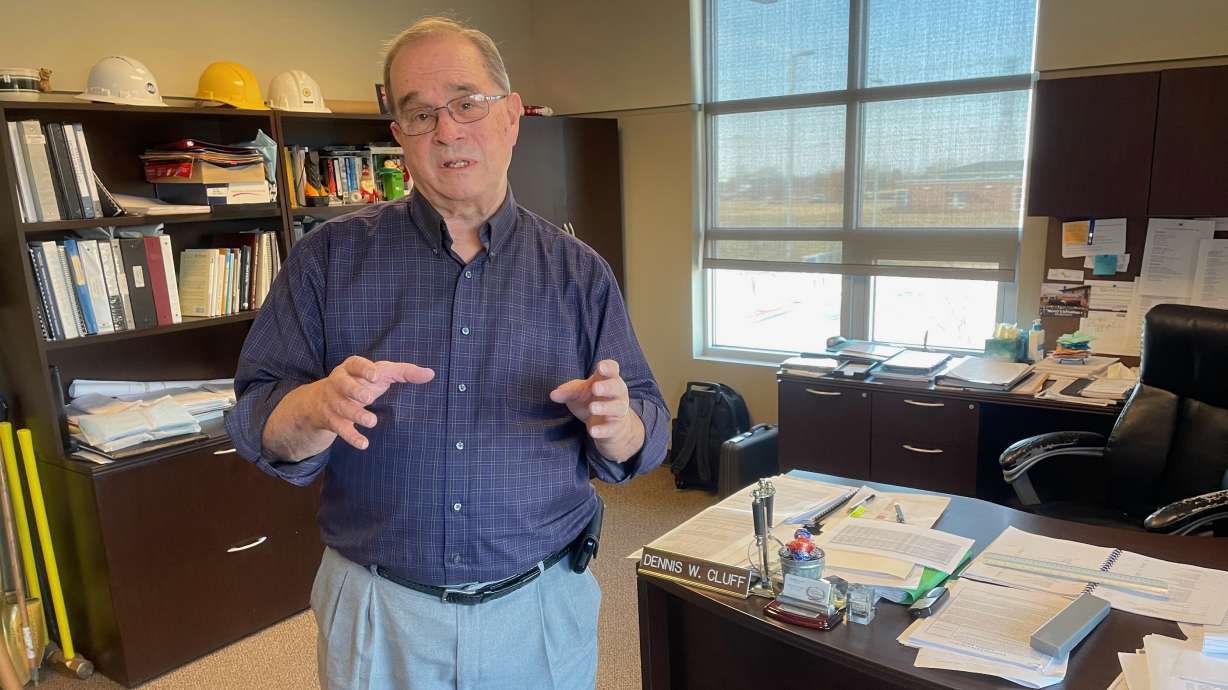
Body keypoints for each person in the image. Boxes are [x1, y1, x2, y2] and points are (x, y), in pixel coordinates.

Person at [224, 16, 669, 690]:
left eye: (467, 103)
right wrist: (312, 407)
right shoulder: (326, 261)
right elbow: (256, 416)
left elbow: (650, 431)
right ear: (398, 135)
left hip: (540, 609)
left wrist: (619, 425)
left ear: (512, 117)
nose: (447, 130)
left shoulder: (578, 273)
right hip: (378, 613)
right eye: (420, 113)